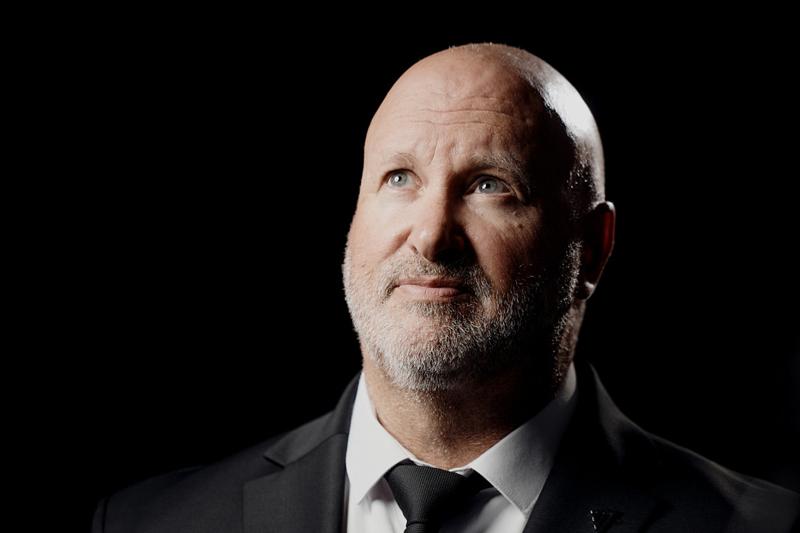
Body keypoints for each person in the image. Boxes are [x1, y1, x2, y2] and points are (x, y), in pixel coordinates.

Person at [92, 43, 799, 533]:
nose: (431, 236)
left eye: (490, 185)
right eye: (399, 178)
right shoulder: (147, 523)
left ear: (591, 249)